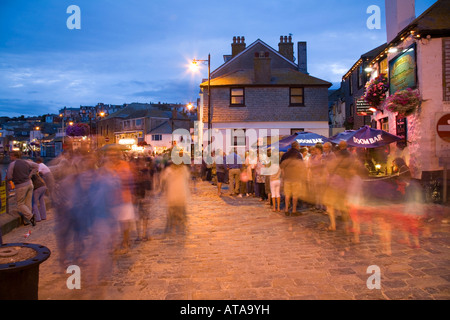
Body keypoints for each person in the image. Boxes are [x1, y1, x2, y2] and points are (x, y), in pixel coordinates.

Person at [6, 151, 39, 226]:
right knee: (28, 203)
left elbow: (9, 176)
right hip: (29, 183)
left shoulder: (12, 164)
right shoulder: (26, 162)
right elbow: (36, 166)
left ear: (14, 156)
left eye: (11, 156)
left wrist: (13, 178)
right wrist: (30, 175)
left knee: (20, 204)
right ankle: (27, 221)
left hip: (20, 185)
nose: (10, 157)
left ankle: (31, 217)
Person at [160, 159, 191, 235]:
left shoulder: (169, 170)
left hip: (172, 195)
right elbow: (187, 179)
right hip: (181, 195)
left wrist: (163, 189)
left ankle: (173, 228)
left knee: (172, 214)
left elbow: (163, 180)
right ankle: (181, 228)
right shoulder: (184, 169)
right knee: (181, 213)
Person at [280, 149, 306, 216]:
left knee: (287, 195)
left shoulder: (285, 161)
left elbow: (282, 169)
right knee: (295, 195)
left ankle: (286, 209)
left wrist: (283, 177)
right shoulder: (298, 161)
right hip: (296, 179)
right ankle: (294, 210)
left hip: (287, 179)